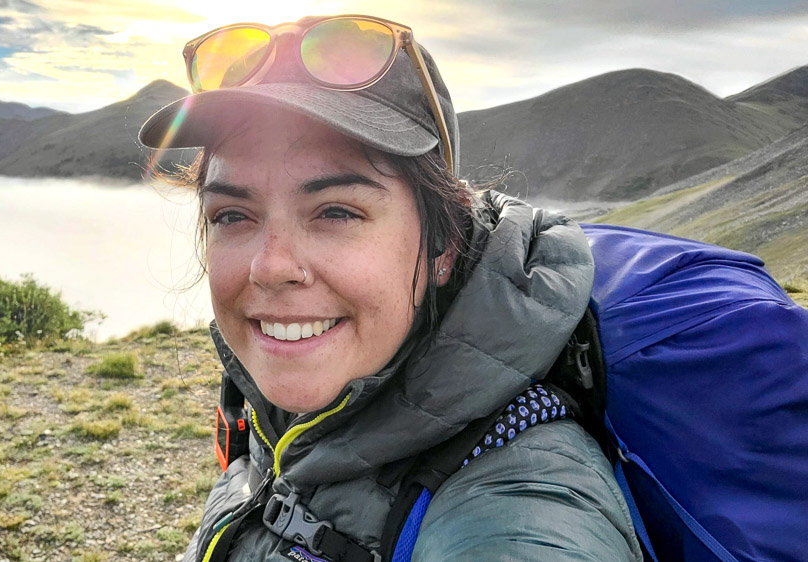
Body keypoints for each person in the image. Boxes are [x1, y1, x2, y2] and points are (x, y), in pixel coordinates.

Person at [140, 14, 643, 561]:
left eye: (335, 211)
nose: (270, 266)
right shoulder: (278, 410)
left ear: (442, 246)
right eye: (232, 215)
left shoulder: (519, 506)